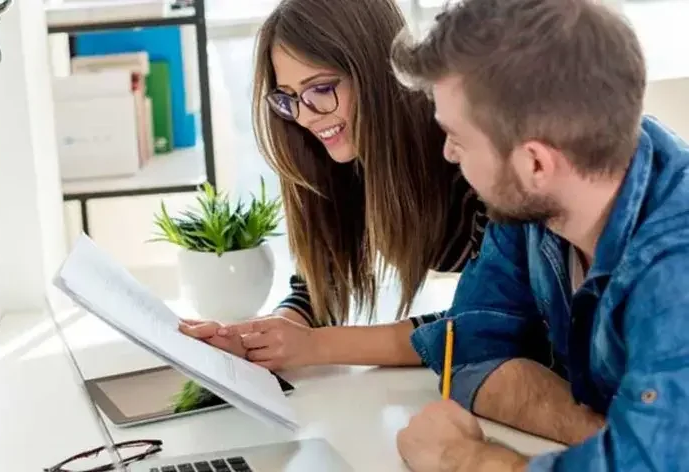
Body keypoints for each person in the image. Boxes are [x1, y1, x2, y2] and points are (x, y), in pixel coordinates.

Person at [389, 0, 689, 471]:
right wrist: (615, 440)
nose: (448, 153)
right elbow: (471, 346)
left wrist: (464, 459)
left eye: (458, 137)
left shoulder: (677, 267)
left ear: (535, 163)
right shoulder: (535, 205)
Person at [180, 0, 488, 370]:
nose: (306, 116)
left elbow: (487, 322)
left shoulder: (468, 148)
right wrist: (261, 340)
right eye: (289, 98)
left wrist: (319, 347)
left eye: (321, 88)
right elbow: (316, 288)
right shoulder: (340, 155)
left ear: (376, 71)